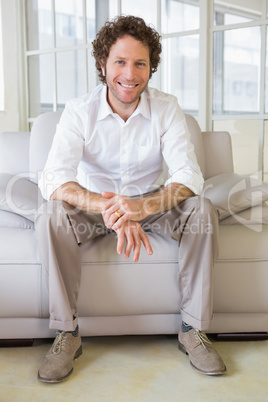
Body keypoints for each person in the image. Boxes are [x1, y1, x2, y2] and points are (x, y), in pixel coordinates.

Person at [35, 15, 226, 383]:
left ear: (151, 68)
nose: (130, 73)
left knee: (201, 210)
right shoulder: (79, 110)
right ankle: (67, 333)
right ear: (102, 64)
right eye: (120, 61)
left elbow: (188, 175)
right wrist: (110, 207)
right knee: (50, 215)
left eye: (140, 63)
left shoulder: (166, 108)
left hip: (151, 203)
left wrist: (141, 207)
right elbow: (54, 178)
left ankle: (193, 329)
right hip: (93, 207)